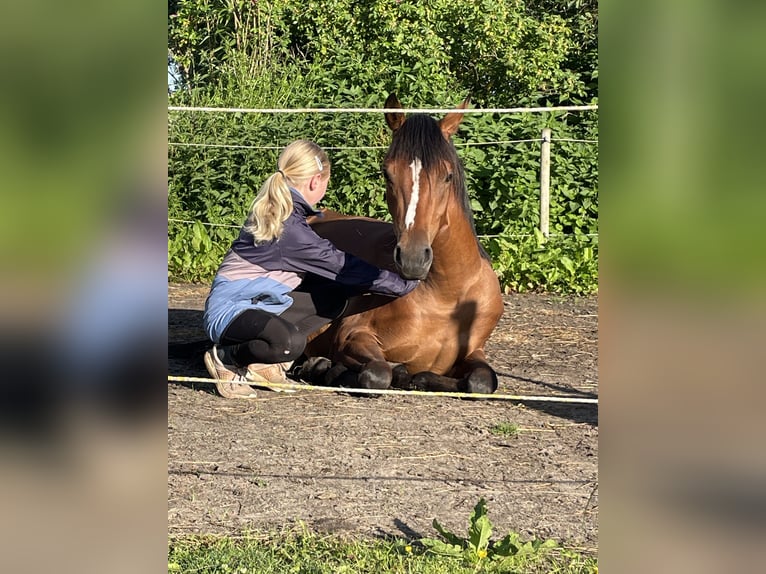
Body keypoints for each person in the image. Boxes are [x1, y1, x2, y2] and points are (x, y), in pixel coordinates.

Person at [203, 140, 419, 398]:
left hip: (259, 303)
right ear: (316, 181)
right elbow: (340, 265)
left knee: (335, 294)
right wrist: (404, 284)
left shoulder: (285, 212)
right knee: (289, 344)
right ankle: (226, 358)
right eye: (327, 182)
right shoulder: (290, 229)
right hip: (231, 311)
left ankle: (262, 365)